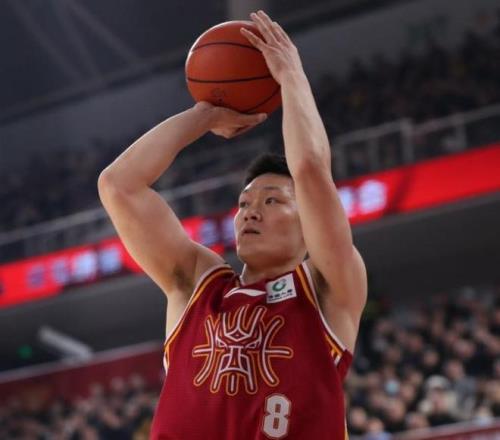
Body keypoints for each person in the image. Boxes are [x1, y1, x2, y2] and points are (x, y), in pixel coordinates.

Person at [98, 10, 367, 440]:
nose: (250, 212)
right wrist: (205, 115)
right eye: (244, 203)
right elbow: (119, 185)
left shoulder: (326, 287)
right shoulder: (198, 285)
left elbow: (310, 169)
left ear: (309, 223)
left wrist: (291, 76)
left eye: (272, 200)